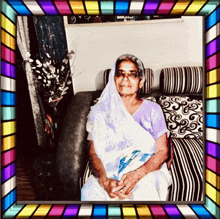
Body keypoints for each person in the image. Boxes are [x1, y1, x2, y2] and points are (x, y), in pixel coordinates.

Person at [81, 54, 172, 201]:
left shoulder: (153, 110)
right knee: (91, 193)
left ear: (141, 82)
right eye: (120, 74)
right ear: (113, 79)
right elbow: (94, 153)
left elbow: (162, 151)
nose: (125, 79)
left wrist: (135, 176)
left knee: (144, 196)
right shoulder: (99, 112)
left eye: (132, 74)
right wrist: (105, 181)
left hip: (145, 170)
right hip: (110, 170)